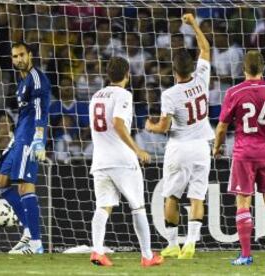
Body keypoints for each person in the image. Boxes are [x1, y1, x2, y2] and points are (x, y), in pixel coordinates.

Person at [213, 50, 265, 266]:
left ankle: (246, 255)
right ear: (263, 68)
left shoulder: (233, 92)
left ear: (243, 68)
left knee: (243, 202)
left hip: (243, 154)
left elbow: (222, 127)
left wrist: (217, 147)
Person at [145, 13, 214, 259]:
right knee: (197, 195)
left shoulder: (170, 94)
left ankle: (173, 243)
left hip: (180, 148)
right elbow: (205, 48)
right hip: (202, 147)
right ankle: (192, 244)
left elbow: (164, 127)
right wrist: (194, 24)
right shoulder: (202, 78)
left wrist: (151, 126)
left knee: (171, 196)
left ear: (174, 70)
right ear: (192, 67)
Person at [89, 56, 163, 267]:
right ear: (127, 75)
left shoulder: (96, 96)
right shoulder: (124, 95)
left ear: (107, 74)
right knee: (138, 207)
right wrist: (138, 149)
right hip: (122, 159)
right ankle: (147, 255)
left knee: (103, 206)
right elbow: (119, 124)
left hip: (101, 160)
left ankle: (97, 251)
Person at [0, 42, 51, 254]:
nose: (19, 59)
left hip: (30, 136)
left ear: (30, 55)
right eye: (15, 56)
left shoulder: (36, 78)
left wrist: (38, 139)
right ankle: (28, 232)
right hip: (19, 136)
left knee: (25, 185)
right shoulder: (21, 81)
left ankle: (35, 244)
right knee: (1, 183)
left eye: (22, 55)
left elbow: (39, 112)